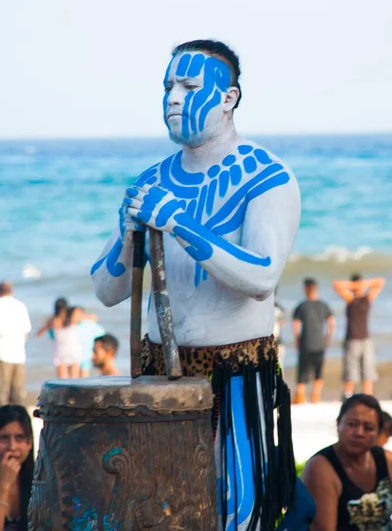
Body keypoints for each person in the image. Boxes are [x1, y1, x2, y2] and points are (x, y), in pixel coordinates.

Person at [91, 39, 301, 529]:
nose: (172, 98)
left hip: (234, 377)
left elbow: (261, 277)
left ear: (228, 98)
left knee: (234, 511)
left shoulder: (267, 177)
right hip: (157, 376)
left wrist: (181, 224)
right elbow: (106, 290)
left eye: (188, 86)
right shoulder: (152, 181)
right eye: (168, 86)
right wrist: (128, 239)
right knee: (153, 511)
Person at [302, 394, 392, 531]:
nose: (359, 433)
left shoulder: (386, 460)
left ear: (378, 432)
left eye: (368, 428)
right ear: (338, 424)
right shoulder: (320, 468)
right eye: (351, 424)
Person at [333, 274, 385, 399]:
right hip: (352, 339)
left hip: (365, 339)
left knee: (368, 370)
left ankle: (368, 396)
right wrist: (354, 286)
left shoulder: (367, 298)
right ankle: (347, 395)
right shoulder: (350, 298)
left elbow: (380, 281)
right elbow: (336, 284)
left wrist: (363, 284)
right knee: (350, 371)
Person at [0, 404, 34, 531]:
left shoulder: (39, 479)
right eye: (3, 438)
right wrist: (3, 484)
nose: (12, 447)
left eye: (19, 438)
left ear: (29, 443)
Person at [292, 278, 335, 404]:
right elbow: (332, 324)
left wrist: (297, 340)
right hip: (320, 344)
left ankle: (300, 397)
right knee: (318, 372)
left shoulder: (301, 306)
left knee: (302, 373)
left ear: (305, 289)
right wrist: (327, 338)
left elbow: (296, 326)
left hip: (306, 343)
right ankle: (316, 397)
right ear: (316, 288)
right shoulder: (324, 305)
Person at [0, 283, 31, 406]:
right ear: (11, 291)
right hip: (18, 354)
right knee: (17, 392)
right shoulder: (20, 306)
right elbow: (26, 331)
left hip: (1, 353)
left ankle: (3, 422)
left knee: (2, 393)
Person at [273, 289, 286, 367]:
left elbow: (281, 323)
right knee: (279, 366)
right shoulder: (280, 308)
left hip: (276, 342)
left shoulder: (278, 308)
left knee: (278, 366)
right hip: (277, 342)